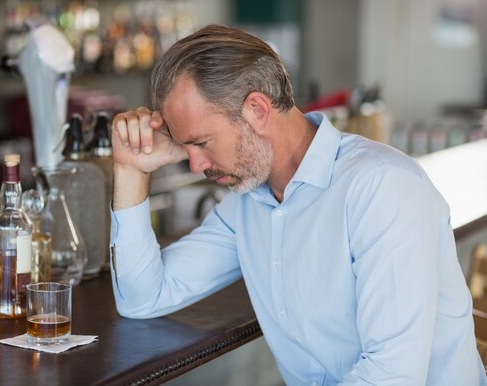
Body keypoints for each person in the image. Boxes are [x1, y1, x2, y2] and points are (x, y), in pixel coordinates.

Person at [108, 24, 487, 385]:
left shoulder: (382, 188)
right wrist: (130, 169)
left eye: (201, 143)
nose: (195, 164)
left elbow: (392, 377)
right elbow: (143, 297)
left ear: (257, 110)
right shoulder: (248, 203)